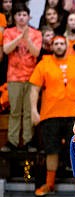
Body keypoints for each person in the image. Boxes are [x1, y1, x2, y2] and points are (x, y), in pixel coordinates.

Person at [29, 35, 75, 197]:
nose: (58, 46)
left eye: (61, 44)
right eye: (55, 44)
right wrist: (33, 111)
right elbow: (34, 89)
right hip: (50, 114)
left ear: (66, 46)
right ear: (52, 46)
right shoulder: (44, 63)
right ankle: (49, 184)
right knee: (51, 151)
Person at [1, 4, 42, 152]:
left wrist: (28, 38)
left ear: (29, 17)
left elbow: (36, 53)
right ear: (14, 17)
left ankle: (28, 140)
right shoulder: (8, 32)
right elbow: (6, 49)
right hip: (14, 77)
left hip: (31, 78)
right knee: (15, 111)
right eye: (19, 15)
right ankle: (12, 141)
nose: (22, 17)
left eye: (24, 15)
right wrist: (20, 37)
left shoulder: (36, 33)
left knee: (29, 111)